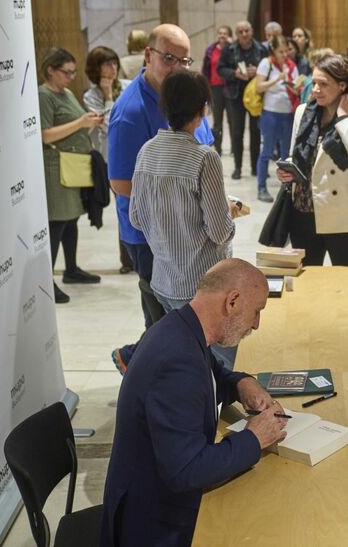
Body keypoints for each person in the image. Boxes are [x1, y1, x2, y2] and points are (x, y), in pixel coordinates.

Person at [100, 259, 289, 547]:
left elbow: (212, 372)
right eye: (256, 311)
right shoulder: (177, 364)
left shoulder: (181, 326)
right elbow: (186, 471)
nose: (256, 324)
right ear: (233, 301)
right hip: (154, 524)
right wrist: (254, 437)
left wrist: (240, 384)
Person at [108, 23, 214, 375]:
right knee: (165, 322)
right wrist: (175, 201)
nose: (178, 67)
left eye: (184, 60)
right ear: (148, 55)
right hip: (149, 235)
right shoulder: (131, 111)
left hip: (188, 229)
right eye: (170, 58)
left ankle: (146, 363)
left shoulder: (185, 94)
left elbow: (204, 148)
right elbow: (120, 182)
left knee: (183, 319)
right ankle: (143, 372)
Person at [129, 69, 245, 367]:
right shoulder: (203, 157)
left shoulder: (146, 152)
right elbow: (220, 232)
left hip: (164, 281)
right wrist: (229, 213)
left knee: (189, 361)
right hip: (203, 286)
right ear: (203, 107)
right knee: (222, 368)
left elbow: (136, 218)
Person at [277, 54, 348, 266]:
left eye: (323, 84)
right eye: (314, 83)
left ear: (342, 86)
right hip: (302, 213)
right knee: (308, 284)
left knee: (346, 284)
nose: (315, 89)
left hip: (344, 216)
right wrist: (286, 170)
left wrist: (342, 118)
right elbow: (294, 154)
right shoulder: (304, 112)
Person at [39, 47, 104, 304]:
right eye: (66, 72)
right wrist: (80, 124)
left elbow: (76, 125)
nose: (71, 77)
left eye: (74, 72)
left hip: (74, 163)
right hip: (56, 166)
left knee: (72, 218)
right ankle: (47, 279)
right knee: (58, 221)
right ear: (50, 71)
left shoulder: (65, 93)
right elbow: (45, 135)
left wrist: (89, 122)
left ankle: (72, 269)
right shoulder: (44, 96)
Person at [83, 45, 134, 275]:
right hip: (110, 158)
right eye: (106, 64)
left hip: (135, 152)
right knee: (123, 207)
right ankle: (128, 259)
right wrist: (109, 97)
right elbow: (110, 124)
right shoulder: (91, 95)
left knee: (139, 206)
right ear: (96, 69)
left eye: (114, 63)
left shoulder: (128, 86)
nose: (112, 68)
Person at [217, 20, 268, 179]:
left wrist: (258, 71)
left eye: (247, 31)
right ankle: (238, 168)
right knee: (237, 132)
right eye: (241, 32)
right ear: (237, 34)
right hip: (235, 95)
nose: (244, 34)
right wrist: (234, 73)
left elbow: (270, 68)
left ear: (252, 31)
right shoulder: (229, 49)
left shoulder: (261, 48)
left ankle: (255, 167)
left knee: (256, 131)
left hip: (255, 96)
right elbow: (220, 69)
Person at [254, 35, 300, 202]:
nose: (284, 55)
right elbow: (259, 87)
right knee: (266, 152)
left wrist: (293, 86)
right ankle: (261, 187)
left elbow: (296, 91)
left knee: (286, 154)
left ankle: (286, 188)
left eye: (286, 51)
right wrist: (277, 79)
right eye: (281, 51)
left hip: (287, 114)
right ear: (273, 50)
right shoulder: (267, 63)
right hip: (270, 113)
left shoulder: (291, 65)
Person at [201, 25, 232, 154]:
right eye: (220, 33)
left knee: (232, 120)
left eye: (225, 33)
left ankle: (234, 148)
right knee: (217, 120)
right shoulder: (210, 50)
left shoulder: (233, 50)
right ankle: (218, 147)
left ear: (229, 36)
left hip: (230, 88)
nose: (222, 35)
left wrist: (232, 46)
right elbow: (205, 70)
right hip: (215, 88)